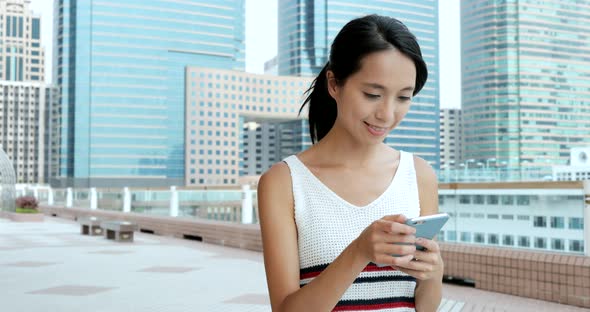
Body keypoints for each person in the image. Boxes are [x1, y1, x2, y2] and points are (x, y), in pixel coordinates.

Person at [257, 14, 442, 312]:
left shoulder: (419, 175)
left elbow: (425, 307)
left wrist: (433, 276)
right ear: (334, 83)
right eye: (372, 94)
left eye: (403, 98)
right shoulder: (284, 182)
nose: (387, 114)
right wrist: (359, 251)